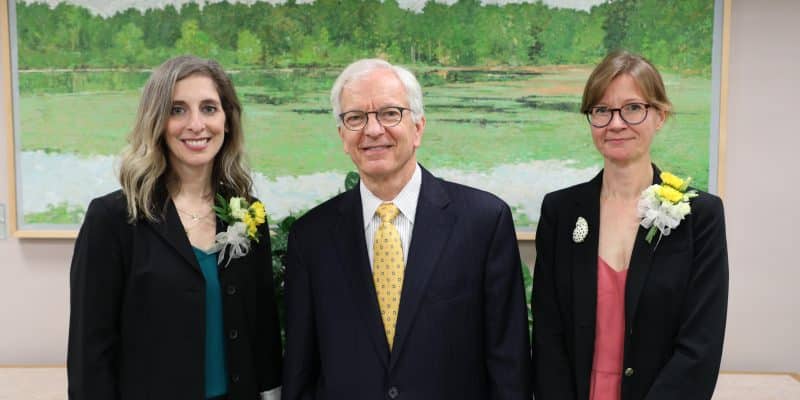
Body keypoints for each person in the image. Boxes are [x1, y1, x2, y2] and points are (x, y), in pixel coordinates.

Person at [281, 58, 531, 399]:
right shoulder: (311, 237)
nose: (372, 130)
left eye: (389, 113)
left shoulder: (484, 222)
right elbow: (301, 370)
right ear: (342, 136)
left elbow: (508, 365)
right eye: (356, 118)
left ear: (418, 127)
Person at [67, 55, 282, 400]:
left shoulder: (248, 212)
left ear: (227, 121)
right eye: (177, 110)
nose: (196, 124)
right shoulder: (111, 219)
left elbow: (263, 327)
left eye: (209, 108)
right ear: (156, 122)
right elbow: (89, 350)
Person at [530, 50, 729, 400]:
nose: (616, 123)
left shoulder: (702, 216)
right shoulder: (560, 211)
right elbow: (548, 335)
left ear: (660, 116)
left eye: (633, 108)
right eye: (602, 110)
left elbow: (701, 344)